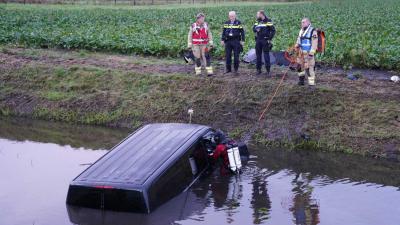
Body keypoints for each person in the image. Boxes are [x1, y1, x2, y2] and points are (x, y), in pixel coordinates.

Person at [295, 18, 318, 86]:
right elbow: (299, 40)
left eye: (304, 22)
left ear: (308, 23)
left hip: (308, 53)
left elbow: (314, 43)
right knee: (299, 67)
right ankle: (301, 81)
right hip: (300, 53)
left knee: (309, 68)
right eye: (302, 22)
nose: (302, 23)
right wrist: (296, 46)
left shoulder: (313, 31)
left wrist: (311, 53)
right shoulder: (301, 31)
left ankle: (311, 84)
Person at [253, 10, 275, 76]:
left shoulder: (268, 21)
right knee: (258, 55)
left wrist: (269, 39)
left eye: (258, 14)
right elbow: (253, 29)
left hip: (265, 40)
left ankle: (268, 71)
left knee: (266, 56)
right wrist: (256, 29)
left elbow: (273, 30)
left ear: (261, 14)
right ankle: (258, 70)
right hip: (258, 40)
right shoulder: (257, 21)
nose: (257, 16)